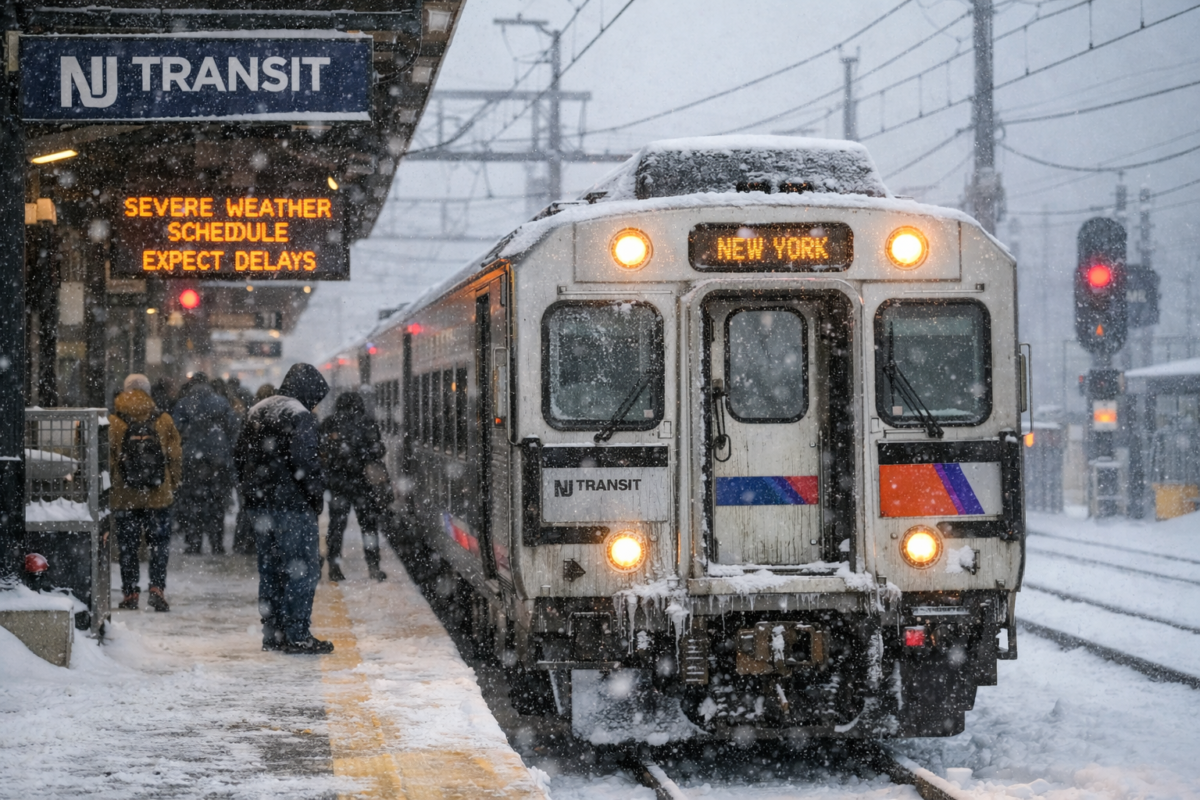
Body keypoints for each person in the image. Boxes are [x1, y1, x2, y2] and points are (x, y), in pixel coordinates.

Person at [235, 363, 332, 654]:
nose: (314, 404)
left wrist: (251, 493)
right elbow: (306, 463)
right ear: (308, 390)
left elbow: (239, 457)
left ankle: (273, 634)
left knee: (270, 570)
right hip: (293, 507)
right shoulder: (299, 414)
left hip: (260, 507)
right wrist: (315, 496)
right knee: (302, 569)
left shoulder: (258, 410)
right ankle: (297, 635)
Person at [110, 374, 183, 612]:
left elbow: (108, 459)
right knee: (159, 545)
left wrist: (114, 484)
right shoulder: (163, 420)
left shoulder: (113, 421)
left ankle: (130, 592)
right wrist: (173, 483)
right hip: (158, 493)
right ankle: (157, 588)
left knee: (128, 546)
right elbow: (175, 456)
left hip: (125, 495)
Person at [319, 391, 390, 582]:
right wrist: (362, 455)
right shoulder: (367, 423)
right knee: (368, 527)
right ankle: (373, 567)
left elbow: (321, 451)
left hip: (337, 484)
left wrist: (336, 459)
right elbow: (378, 450)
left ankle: (334, 567)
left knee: (336, 526)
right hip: (363, 484)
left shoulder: (329, 423)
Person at [172, 373, 240, 554]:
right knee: (216, 504)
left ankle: (194, 543)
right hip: (217, 460)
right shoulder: (221, 402)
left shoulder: (184, 403)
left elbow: (175, 429)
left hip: (191, 460)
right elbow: (233, 428)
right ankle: (216, 543)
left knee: (192, 503)